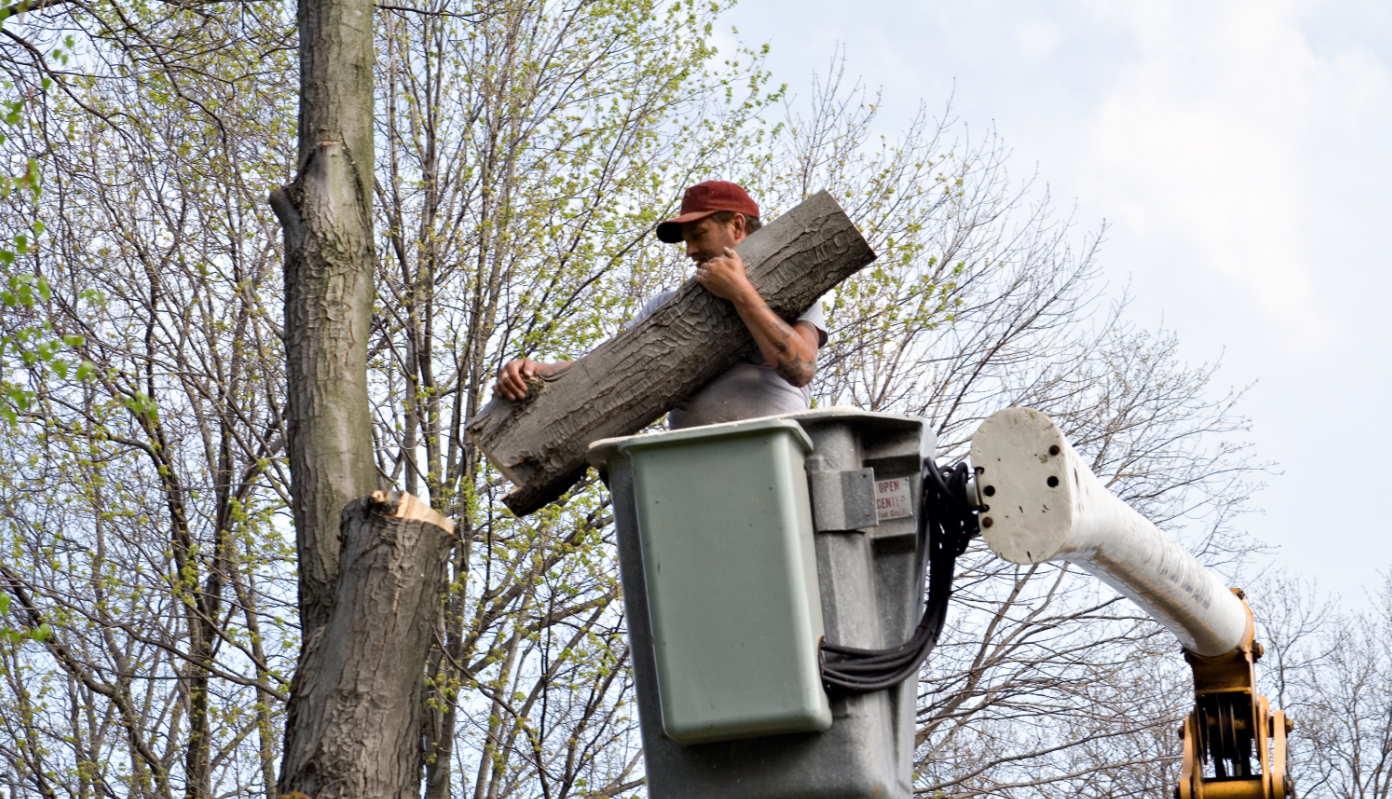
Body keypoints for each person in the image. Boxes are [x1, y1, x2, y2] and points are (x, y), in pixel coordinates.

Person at [492, 180, 827, 429]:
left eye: (698, 234)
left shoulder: (793, 294)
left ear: (737, 226)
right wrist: (542, 372)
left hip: (776, 458)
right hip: (687, 468)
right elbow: (608, 366)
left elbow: (800, 368)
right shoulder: (665, 308)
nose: (689, 251)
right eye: (686, 241)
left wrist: (741, 292)